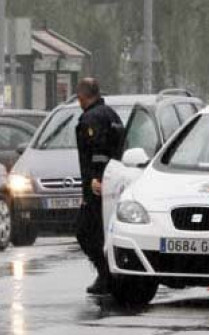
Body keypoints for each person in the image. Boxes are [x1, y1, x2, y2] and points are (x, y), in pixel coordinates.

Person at [74, 78, 125, 294]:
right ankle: (111, 274)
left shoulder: (91, 119)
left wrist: (95, 179)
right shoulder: (112, 115)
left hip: (98, 186)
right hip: (115, 182)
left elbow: (98, 151)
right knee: (104, 232)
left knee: (84, 231)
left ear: (82, 97)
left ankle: (106, 275)